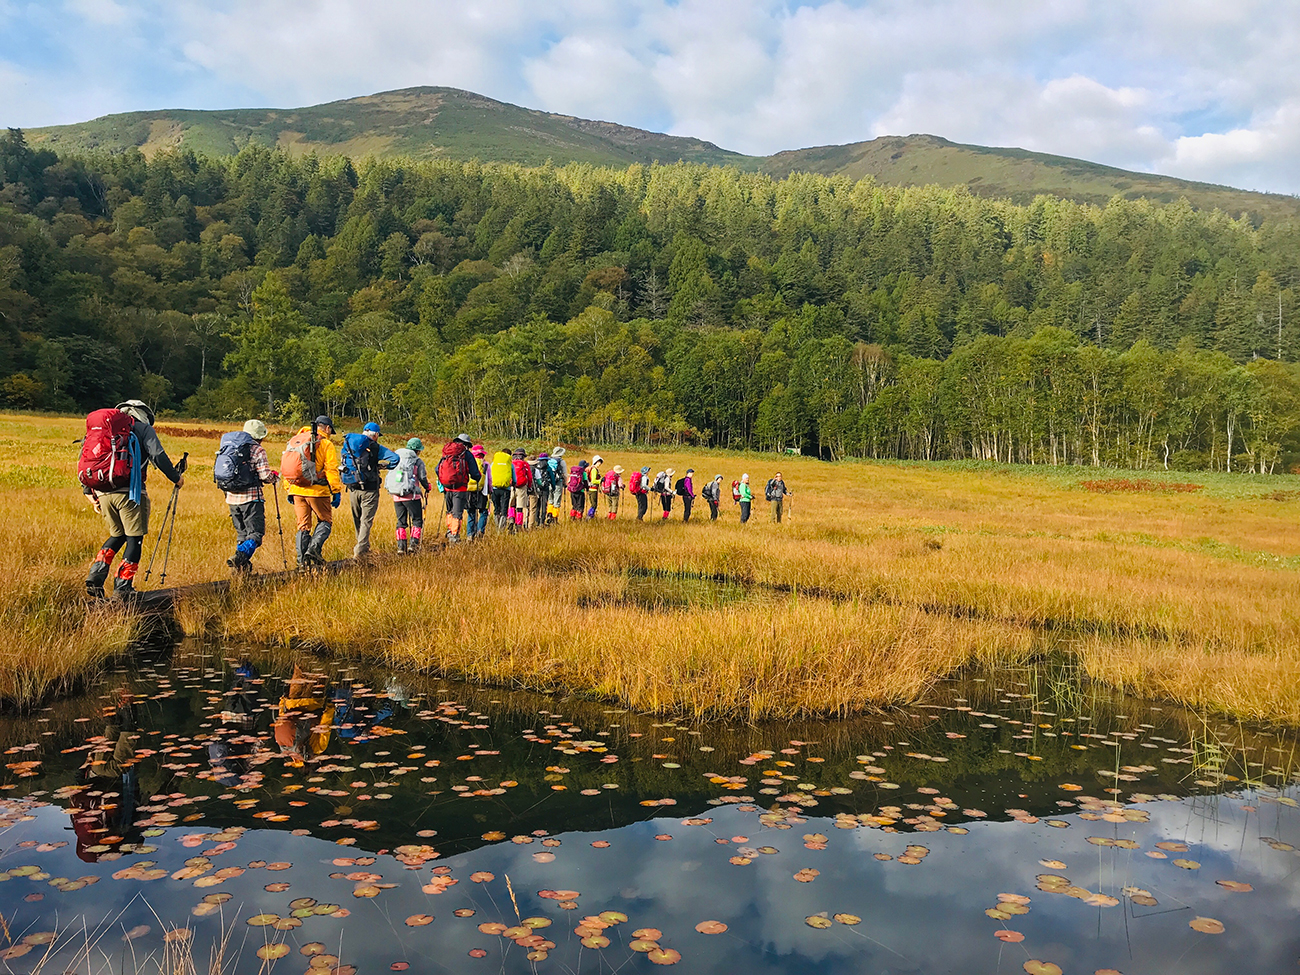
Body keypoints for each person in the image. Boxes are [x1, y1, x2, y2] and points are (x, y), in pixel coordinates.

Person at [81, 399, 185, 599]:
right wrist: (176, 478)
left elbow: (86, 458)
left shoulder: (103, 430)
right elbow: (158, 456)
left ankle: (96, 575)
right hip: (131, 493)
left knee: (118, 535)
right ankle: (123, 587)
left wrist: (89, 492)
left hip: (103, 492)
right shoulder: (143, 429)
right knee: (134, 539)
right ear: (144, 414)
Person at [216, 418, 279, 572]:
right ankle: (239, 557)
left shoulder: (228, 446)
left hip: (231, 498)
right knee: (256, 534)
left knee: (242, 534)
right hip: (251, 498)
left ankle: (241, 571)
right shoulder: (257, 449)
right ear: (260, 436)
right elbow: (265, 476)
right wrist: (275, 477)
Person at [284, 416, 343, 568]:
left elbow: (288, 466)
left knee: (303, 526)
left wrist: (289, 488)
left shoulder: (295, 440)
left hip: (297, 490)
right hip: (317, 491)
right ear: (327, 428)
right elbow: (331, 468)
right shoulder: (325, 443)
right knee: (325, 521)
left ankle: (301, 562)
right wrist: (336, 490)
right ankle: (313, 550)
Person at [341, 421, 399, 560]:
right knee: (366, 520)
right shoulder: (375, 446)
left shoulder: (348, 443)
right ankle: (360, 551)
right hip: (370, 489)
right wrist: (384, 467)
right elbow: (395, 459)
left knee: (357, 518)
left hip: (353, 486)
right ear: (376, 434)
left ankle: (362, 545)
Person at [386, 438, 430, 554]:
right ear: (418, 450)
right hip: (412, 496)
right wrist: (427, 487)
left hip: (396, 495)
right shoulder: (417, 461)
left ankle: (401, 547)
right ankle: (413, 545)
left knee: (401, 522)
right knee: (417, 520)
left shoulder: (397, 458)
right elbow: (422, 477)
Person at [436, 433, 480, 542]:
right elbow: (475, 473)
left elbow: (437, 469)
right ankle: (454, 536)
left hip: (447, 487)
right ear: (467, 444)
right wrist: (477, 478)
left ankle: (449, 531)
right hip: (460, 488)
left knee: (449, 511)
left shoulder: (447, 452)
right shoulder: (466, 454)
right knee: (457, 513)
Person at [466, 444, 489, 539]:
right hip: (481, 491)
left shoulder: (467, 462)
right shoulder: (485, 464)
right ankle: (480, 531)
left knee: (471, 513)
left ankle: (470, 534)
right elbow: (489, 480)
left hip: (468, 491)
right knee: (483, 512)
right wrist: (490, 491)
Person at [489, 447, 514, 530]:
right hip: (506, 489)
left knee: (496, 509)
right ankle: (501, 529)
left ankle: (497, 526)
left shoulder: (493, 463)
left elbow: (490, 475)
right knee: (504, 509)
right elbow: (515, 479)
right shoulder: (510, 465)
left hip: (494, 488)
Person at [511, 449, 534, 529]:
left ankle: (511, 518)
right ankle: (518, 524)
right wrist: (529, 486)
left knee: (511, 505)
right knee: (520, 507)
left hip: (512, 486)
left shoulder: (511, 463)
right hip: (522, 487)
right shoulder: (525, 464)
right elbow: (530, 477)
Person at [533, 452, 555, 526]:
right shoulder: (548, 467)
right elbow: (552, 478)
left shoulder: (536, 466)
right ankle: (542, 521)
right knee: (544, 505)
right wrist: (553, 487)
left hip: (537, 488)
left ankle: (536, 520)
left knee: (537, 505)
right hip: (545, 488)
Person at [548, 448, 568, 524]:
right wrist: (565, 483)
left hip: (549, 483)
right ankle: (554, 518)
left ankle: (549, 515)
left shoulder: (549, 460)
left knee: (550, 500)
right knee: (557, 501)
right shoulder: (561, 461)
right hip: (558, 483)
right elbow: (564, 474)